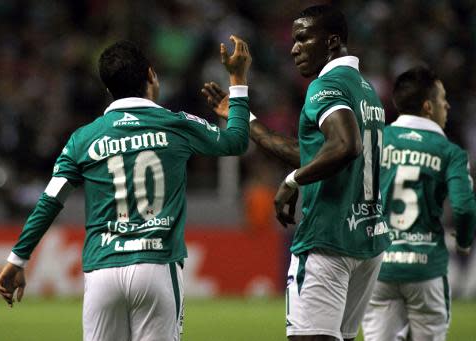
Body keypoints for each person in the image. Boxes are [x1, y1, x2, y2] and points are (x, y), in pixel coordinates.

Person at [0, 36, 252, 341]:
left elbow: (50, 201)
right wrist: (237, 81)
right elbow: (237, 140)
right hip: (156, 265)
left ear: (108, 90)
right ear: (151, 75)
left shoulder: (84, 138)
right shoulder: (177, 124)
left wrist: (17, 260)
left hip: (103, 269)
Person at [202, 4, 390, 341]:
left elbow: (345, 146)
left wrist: (292, 181)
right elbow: (311, 153)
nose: (293, 48)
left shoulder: (325, 86)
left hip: (327, 240)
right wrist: (240, 111)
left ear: (332, 41)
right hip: (366, 241)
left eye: (303, 38)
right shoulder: (366, 90)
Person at [361, 66, 476, 341]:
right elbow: (464, 206)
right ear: (427, 107)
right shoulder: (450, 152)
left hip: (379, 266)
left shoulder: (375, 141)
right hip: (426, 267)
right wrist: (463, 241)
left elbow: (358, 196)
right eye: (442, 98)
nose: (447, 105)